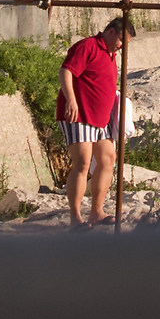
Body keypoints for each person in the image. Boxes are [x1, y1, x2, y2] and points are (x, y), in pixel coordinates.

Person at [57, 16, 132, 228]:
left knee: (108, 158)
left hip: (101, 118)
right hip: (79, 114)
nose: (121, 47)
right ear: (111, 32)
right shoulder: (88, 46)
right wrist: (71, 99)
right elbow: (66, 71)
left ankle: (96, 211)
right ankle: (75, 217)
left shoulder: (111, 54)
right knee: (82, 162)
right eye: (121, 41)